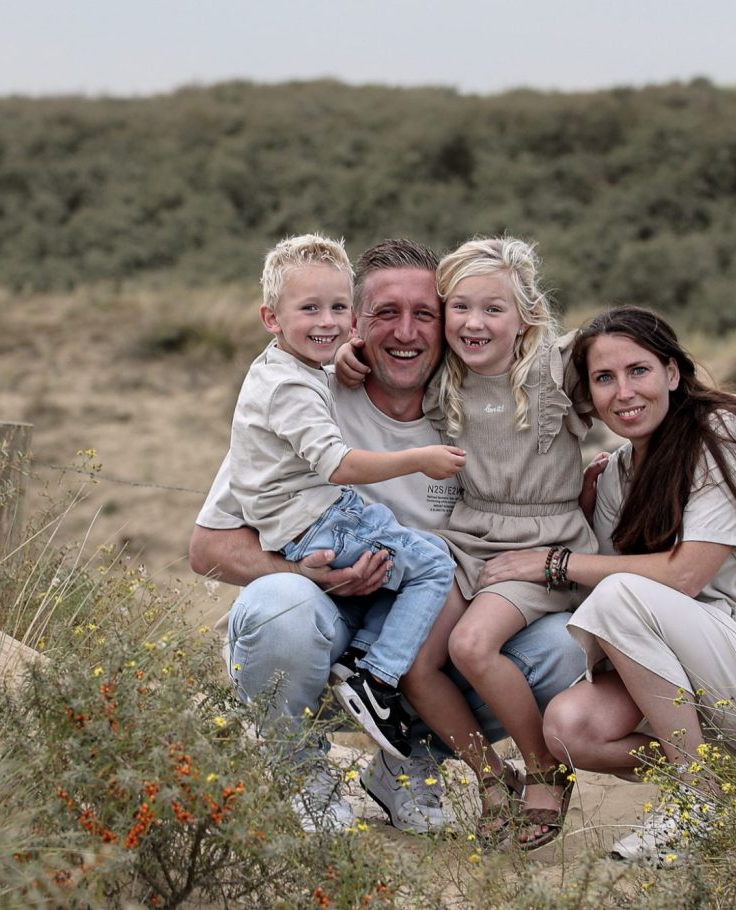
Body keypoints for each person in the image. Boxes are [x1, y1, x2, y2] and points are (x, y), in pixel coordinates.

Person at [189, 239, 586, 834]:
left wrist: (708, 406)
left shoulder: (471, 400)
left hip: (422, 634)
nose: (407, 332)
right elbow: (207, 549)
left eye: (425, 313)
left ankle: (410, 765)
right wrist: (307, 575)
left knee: (562, 643)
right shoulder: (308, 401)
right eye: (385, 314)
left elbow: (607, 396)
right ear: (358, 321)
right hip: (326, 630)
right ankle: (300, 768)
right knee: (279, 607)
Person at [477, 305, 736, 863]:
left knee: (620, 594)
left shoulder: (724, 435)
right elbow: (611, 592)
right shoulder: (619, 472)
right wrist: (584, 508)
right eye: (604, 378)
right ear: (590, 396)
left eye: (639, 371)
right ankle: (718, 786)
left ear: (673, 373)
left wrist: (556, 560)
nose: (623, 392)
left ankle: (697, 802)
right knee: (571, 727)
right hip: (711, 685)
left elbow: (682, 575)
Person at [377, 237, 597, 851]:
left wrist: (719, 403)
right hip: (469, 538)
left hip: (541, 540)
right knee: (416, 659)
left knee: (473, 645)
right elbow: (374, 352)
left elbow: (639, 366)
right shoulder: (445, 376)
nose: (475, 323)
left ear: (526, 317)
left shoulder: (557, 369)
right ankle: (492, 777)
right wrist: (345, 351)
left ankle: (545, 771)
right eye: (461, 308)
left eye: (494, 309)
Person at [227, 233, 464, 758]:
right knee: (433, 566)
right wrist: (419, 460)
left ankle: (405, 766)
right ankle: (370, 685)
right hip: (324, 535)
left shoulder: (299, 372)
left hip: (331, 533)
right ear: (272, 318)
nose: (327, 321)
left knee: (530, 638)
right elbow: (336, 465)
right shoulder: (297, 391)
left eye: (336, 309)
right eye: (309, 308)